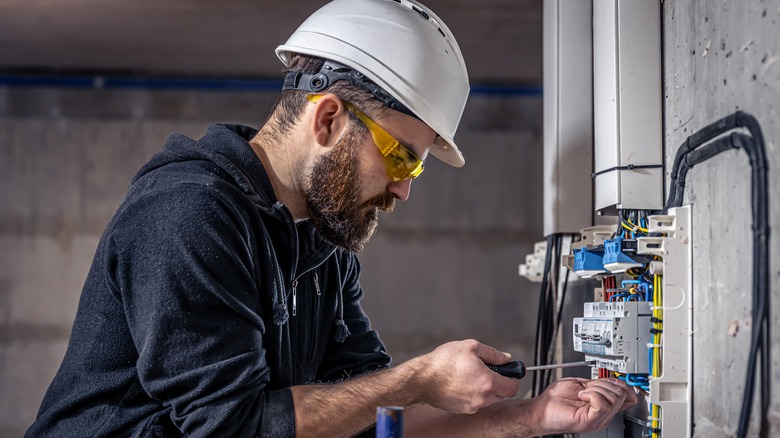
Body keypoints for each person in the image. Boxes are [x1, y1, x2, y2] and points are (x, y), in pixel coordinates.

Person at [27, 0, 636, 436]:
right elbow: (231, 429)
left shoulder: (322, 239)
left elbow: (370, 416)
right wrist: (418, 377)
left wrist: (532, 415)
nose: (403, 189)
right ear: (327, 120)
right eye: (401, 155)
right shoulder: (188, 215)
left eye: (416, 169)